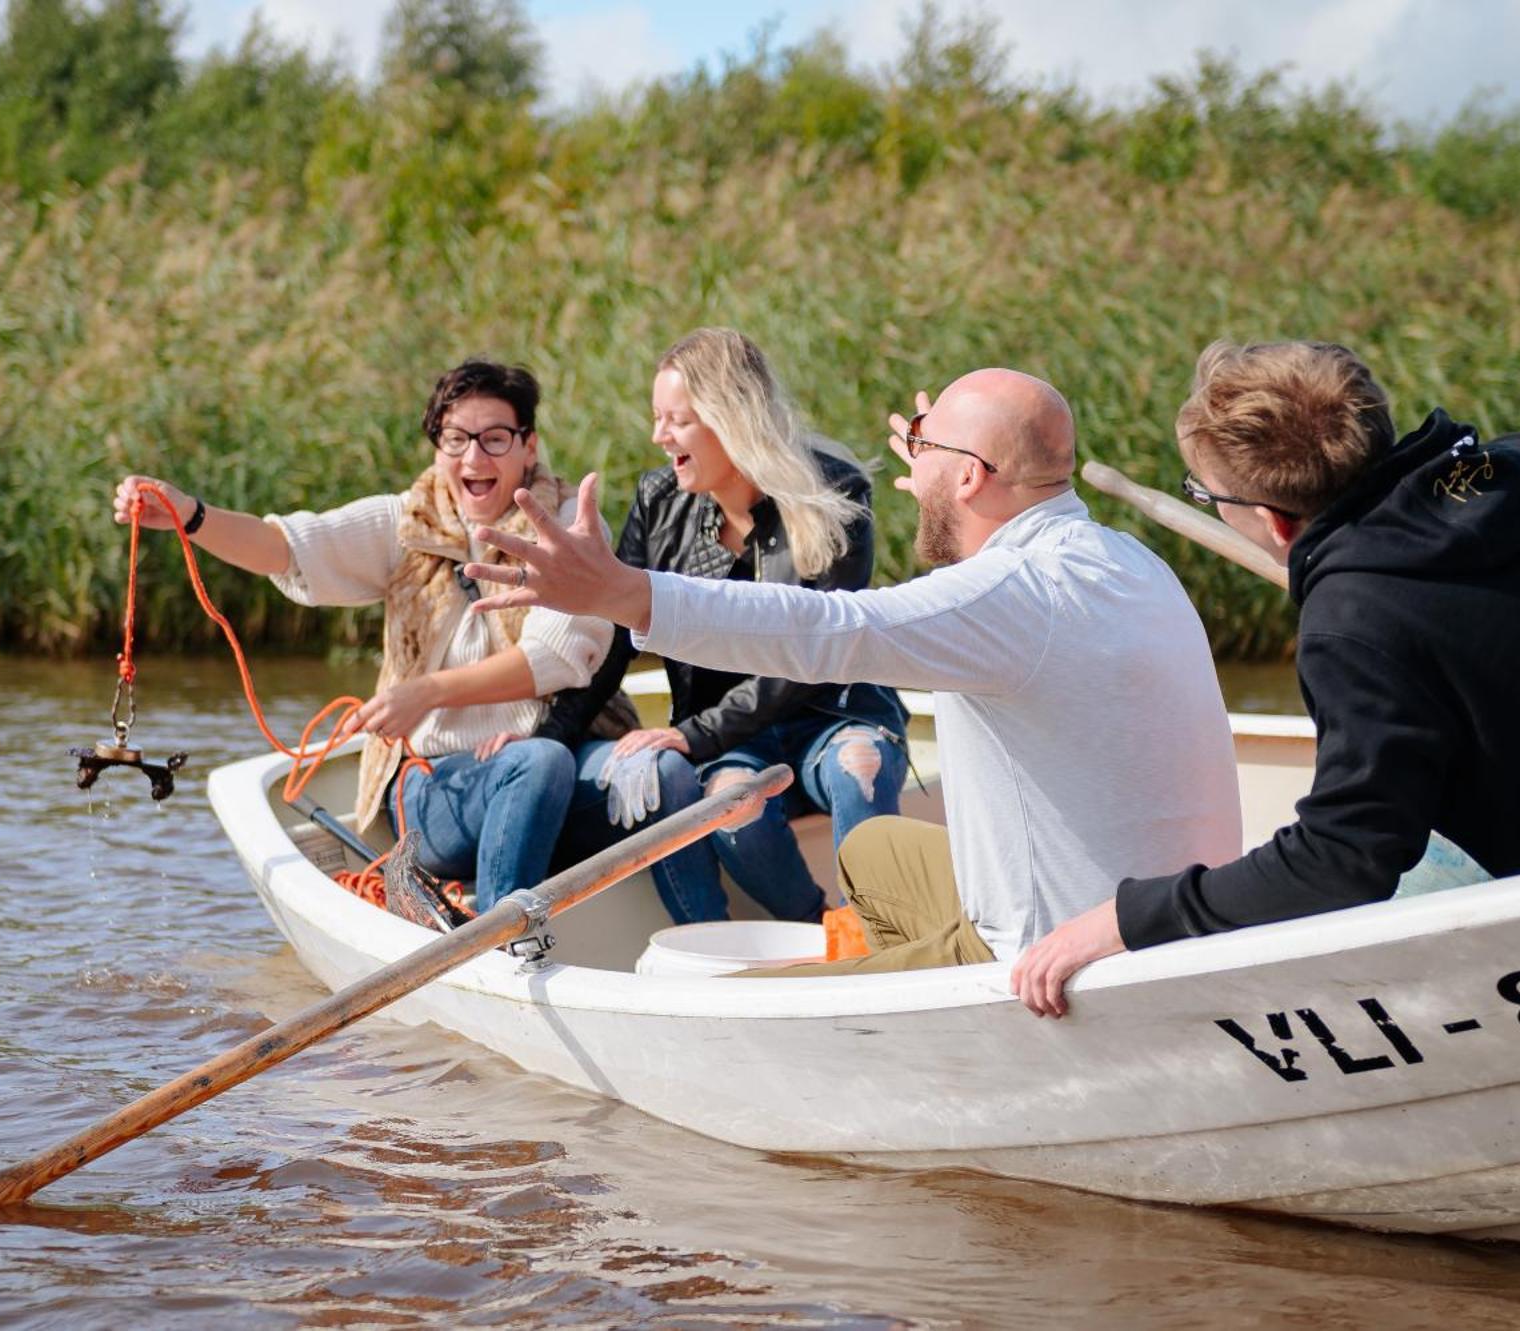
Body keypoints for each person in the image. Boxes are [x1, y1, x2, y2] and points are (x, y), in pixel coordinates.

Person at [463, 368, 1244, 973]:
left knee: (728, 999)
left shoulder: (1007, 595)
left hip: (1054, 949)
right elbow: (966, 507)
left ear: (970, 476)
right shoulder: (1127, 559)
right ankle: (893, 941)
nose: (913, 468)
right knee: (871, 853)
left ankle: (908, 972)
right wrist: (947, 463)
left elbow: (826, 627)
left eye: (928, 450)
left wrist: (626, 592)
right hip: (1158, 905)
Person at [1010, 340, 1520, 1016]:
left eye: (1203, 492)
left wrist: (1129, 918)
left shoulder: (1354, 625)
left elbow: (1345, 858)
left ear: (1271, 521)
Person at [112, 359, 614, 912]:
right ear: (437, 449)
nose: (474, 458)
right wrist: (191, 515)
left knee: (659, 777)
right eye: (456, 439)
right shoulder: (404, 524)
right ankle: (498, 939)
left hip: (556, 753)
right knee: (537, 764)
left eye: (495, 439)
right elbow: (284, 547)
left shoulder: (568, 522)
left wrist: (426, 691)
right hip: (434, 784)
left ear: (530, 446)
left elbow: (558, 657)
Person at [514, 328, 909, 926]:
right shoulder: (658, 499)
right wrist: (549, 736)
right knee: (730, 805)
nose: (658, 437)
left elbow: (813, 653)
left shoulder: (835, 490)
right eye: (657, 418)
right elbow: (617, 636)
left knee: (862, 765)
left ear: (732, 419)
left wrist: (692, 736)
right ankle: (822, 927)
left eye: (677, 420)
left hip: (834, 712)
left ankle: (883, 933)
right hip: (733, 739)